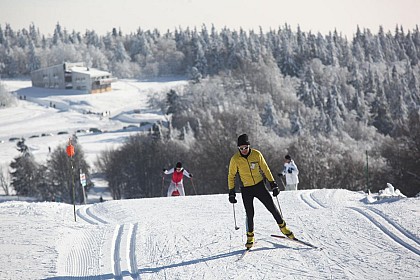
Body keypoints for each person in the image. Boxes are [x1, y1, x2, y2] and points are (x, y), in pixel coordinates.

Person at [228, 134, 295, 249]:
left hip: (259, 186)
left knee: (272, 207)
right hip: (246, 189)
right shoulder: (235, 159)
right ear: (238, 148)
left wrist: (273, 184)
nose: (244, 150)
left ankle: (284, 228)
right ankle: (250, 237)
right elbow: (231, 175)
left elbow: (265, 168)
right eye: (241, 148)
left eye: (245, 147)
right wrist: (231, 192)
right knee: (250, 213)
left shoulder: (256, 154)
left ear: (249, 146)